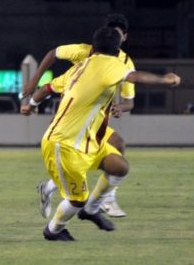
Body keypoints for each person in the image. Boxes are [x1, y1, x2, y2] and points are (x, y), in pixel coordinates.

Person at [21, 27, 180, 241]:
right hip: (64, 144)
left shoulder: (79, 67)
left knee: (120, 167)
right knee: (76, 199)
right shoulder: (112, 64)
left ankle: (91, 209)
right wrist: (165, 79)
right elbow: (135, 77)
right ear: (117, 51)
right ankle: (53, 230)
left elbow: (46, 89)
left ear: (93, 47)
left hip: (89, 140)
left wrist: (31, 105)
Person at [24, 13, 134, 218]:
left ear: (124, 38)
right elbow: (53, 60)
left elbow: (130, 101)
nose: (114, 38)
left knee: (118, 145)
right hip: (73, 120)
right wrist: (33, 84)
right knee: (74, 166)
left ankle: (106, 198)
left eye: (118, 35)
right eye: (111, 33)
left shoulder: (125, 63)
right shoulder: (85, 52)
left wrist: (121, 107)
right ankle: (57, 202)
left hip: (96, 122)